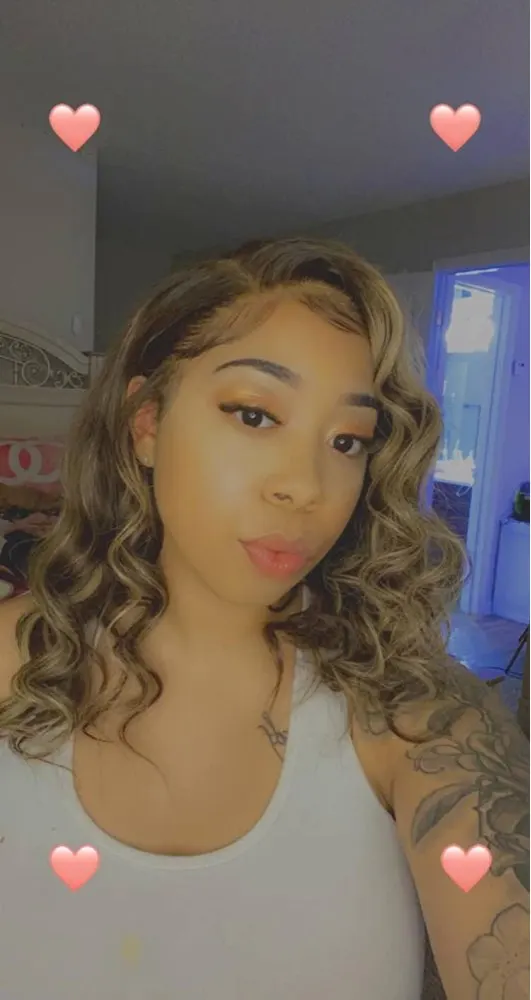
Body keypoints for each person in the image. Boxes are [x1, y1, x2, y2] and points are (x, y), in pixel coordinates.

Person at [0, 237, 528, 1000]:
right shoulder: (13, 660)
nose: (305, 486)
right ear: (146, 424)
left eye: (346, 441)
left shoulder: (416, 716)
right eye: (253, 415)